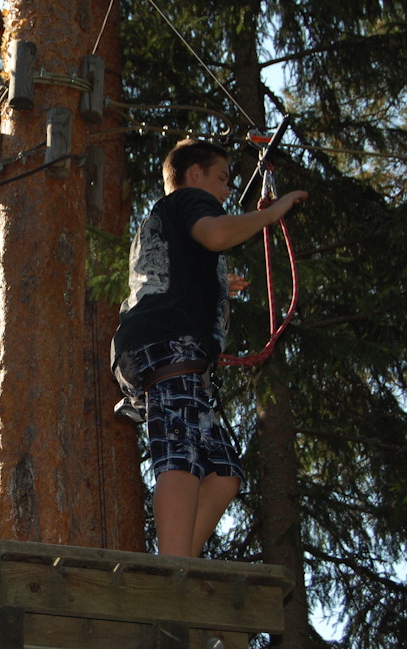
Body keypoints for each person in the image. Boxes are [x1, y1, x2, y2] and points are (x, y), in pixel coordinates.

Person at [110, 138, 306, 558]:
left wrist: (216, 285)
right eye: (222, 178)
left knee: (223, 472)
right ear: (195, 174)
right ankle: (173, 570)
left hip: (162, 344)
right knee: (181, 456)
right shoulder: (191, 200)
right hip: (169, 344)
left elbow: (177, 266)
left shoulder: (167, 216)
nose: (227, 190)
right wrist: (271, 213)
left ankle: (180, 562)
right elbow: (215, 234)